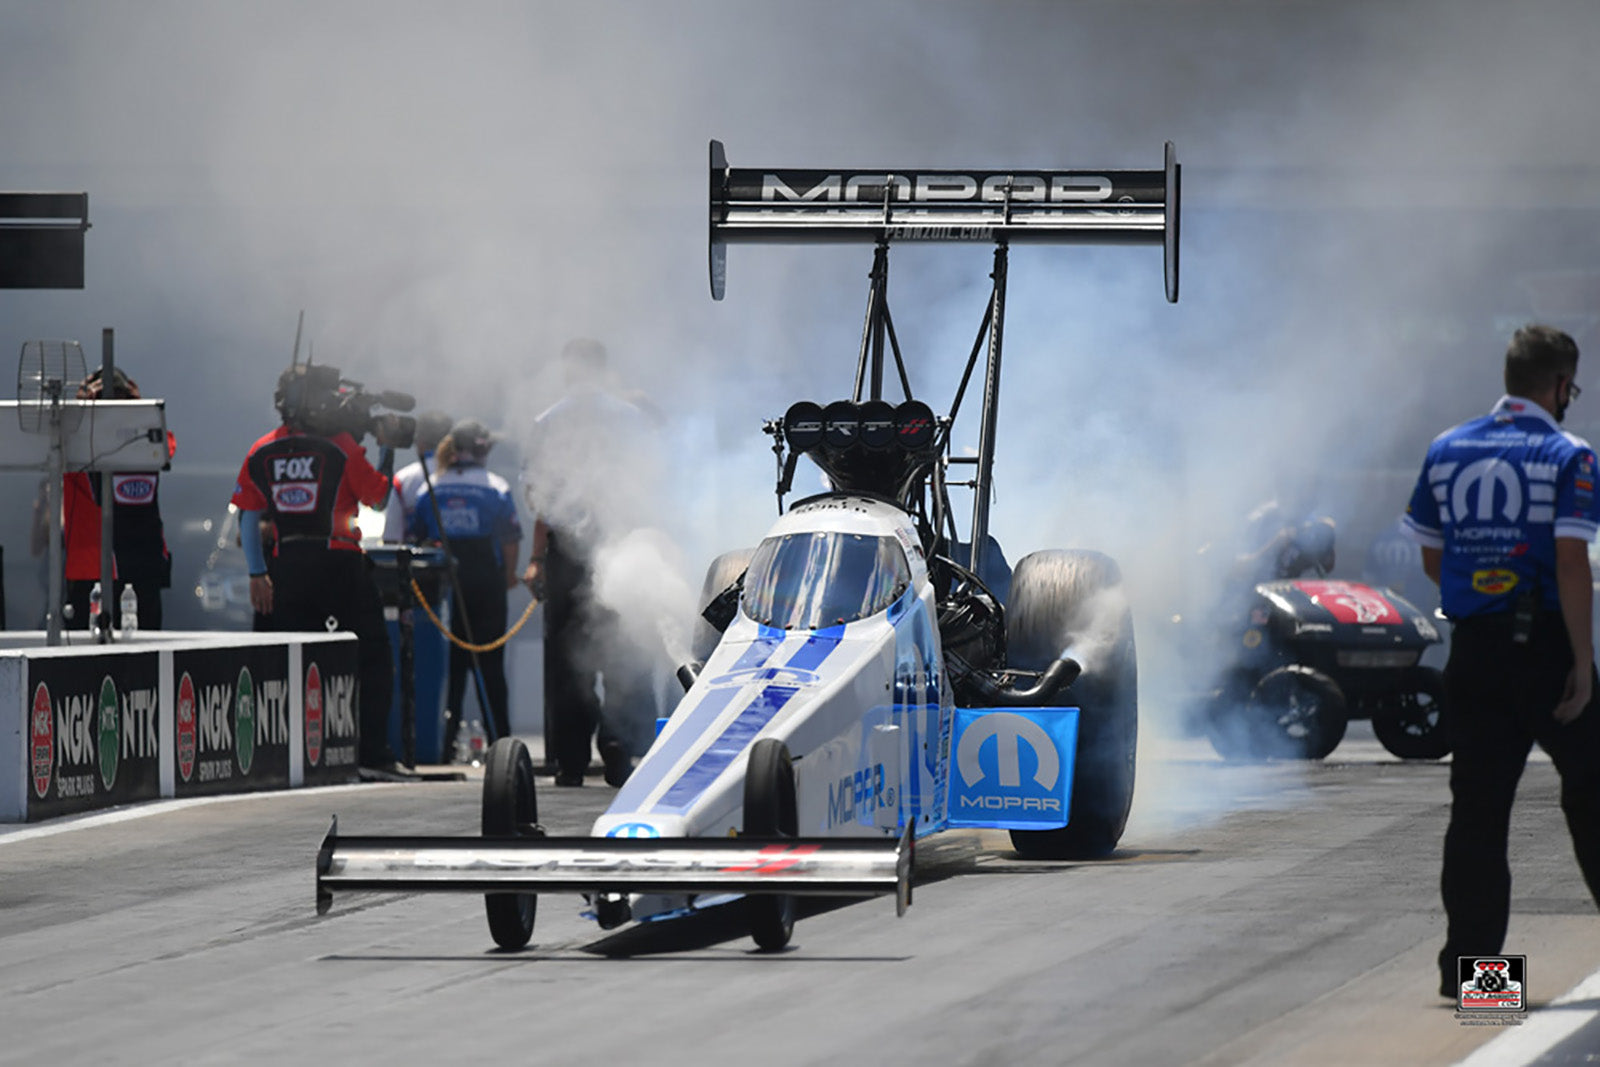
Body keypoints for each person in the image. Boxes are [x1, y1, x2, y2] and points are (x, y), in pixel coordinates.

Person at [1400, 324, 1600, 999]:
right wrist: (1582, 659)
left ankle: (1476, 980)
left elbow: (1433, 554)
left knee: (1479, 815)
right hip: (1545, 642)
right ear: (1559, 383)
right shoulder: (1568, 453)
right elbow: (1572, 562)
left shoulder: (1446, 448)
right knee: (1593, 792)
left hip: (1476, 649)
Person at [231, 365, 399, 771]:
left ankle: (277, 758)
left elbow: (248, 516)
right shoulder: (340, 445)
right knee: (371, 658)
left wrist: (257, 573)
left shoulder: (261, 449)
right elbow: (378, 498)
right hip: (340, 565)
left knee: (282, 663)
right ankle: (373, 754)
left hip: (284, 569)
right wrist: (388, 448)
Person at [522, 338, 658, 787]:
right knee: (620, 645)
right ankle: (618, 745)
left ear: (568, 370)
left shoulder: (548, 421)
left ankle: (572, 759)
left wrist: (538, 557)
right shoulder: (630, 418)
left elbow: (539, 495)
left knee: (567, 654)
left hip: (568, 550)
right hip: (620, 544)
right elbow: (647, 481)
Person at [407, 418, 522, 755]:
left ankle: (443, 747)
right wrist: (508, 577)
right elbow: (511, 539)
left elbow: (416, 538)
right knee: (491, 667)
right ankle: (501, 743)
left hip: (444, 587)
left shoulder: (431, 488)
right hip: (487, 583)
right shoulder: (496, 486)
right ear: (483, 448)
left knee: (452, 671)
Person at [59, 366, 175, 631]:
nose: (112, 408)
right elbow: (58, 441)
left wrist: (138, 410)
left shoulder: (150, 439)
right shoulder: (75, 439)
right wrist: (82, 412)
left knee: (145, 653)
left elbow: (167, 447)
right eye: (103, 402)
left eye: (120, 398)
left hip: (142, 565)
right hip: (91, 566)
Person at [381, 410, 453, 543]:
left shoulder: (404, 478)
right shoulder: (467, 477)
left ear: (420, 442)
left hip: (418, 560)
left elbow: (391, 537)